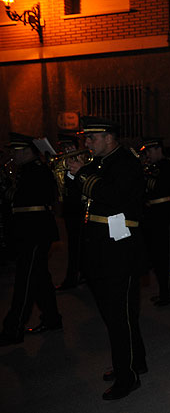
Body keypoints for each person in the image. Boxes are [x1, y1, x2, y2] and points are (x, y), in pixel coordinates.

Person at [66, 117, 147, 400]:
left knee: (119, 314)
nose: (86, 143)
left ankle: (127, 376)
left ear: (109, 137)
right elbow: (75, 198)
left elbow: (117, 197)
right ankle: (135, 362)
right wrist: (71, 176)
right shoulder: (97, 163)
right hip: (100, 249)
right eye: (86, 138)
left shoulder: (126, 162)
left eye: (92, 138)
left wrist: (84, 177)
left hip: (120, 250)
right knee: (115, 313)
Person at [0, 132, 62, 346]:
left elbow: (27, 197)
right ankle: (52, 318)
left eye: (15, 151)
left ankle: (13, 328)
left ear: (27, 151)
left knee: (25, 280)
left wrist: (8, 189)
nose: (12, 155)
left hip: (35, 231)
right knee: (39, 277)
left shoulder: (37, 170)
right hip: (28, 230)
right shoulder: (26, 170)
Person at [139, 137, 170, 306]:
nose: (147, 155)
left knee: (163, 257)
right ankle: (168, 290)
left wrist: (142, 175)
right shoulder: (152, 167)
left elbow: (160, 186)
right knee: (156, 257)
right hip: (151, 214)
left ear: (157, 149)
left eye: (149, 151)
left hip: (163, 214)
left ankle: (167, 293)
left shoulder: (169, 165)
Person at [55, 132, 86, 291]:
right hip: (69, 213)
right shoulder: (62, 166)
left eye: (70, 147)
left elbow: (80, 188)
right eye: (64, 147)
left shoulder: (84, 165)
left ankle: (74, 277)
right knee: (73, 246)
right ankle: (76, 275)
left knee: (80, 246)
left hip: (81, 212)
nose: (67, 150)